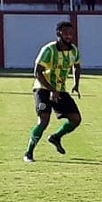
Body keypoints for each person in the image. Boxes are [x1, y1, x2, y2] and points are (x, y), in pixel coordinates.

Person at [23, 21, 82, 163]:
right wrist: (51, 90)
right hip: (43, 88)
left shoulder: (74, 51)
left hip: (60, 89)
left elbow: (77, 66)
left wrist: (76, 84)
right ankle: (28, 153)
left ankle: (56, 137)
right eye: (66, 33)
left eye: (71, 33)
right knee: (44, 120)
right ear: (59, 34)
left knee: (75, 119)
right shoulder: (49, 50)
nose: (69, 36)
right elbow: (37, 72)